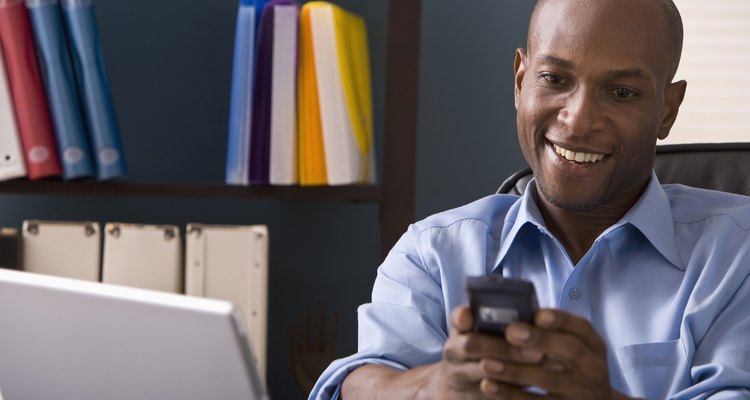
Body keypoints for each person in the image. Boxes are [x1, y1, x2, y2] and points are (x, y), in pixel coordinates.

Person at [311, 0, 750, 398]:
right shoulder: (433, 252)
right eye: (554, 79)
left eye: (621, 93)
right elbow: (363, 381)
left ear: (668, 110)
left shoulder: (737, 254)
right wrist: (435, 387)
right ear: (521, 82)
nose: (577, 122)